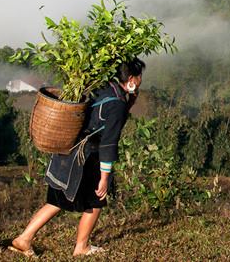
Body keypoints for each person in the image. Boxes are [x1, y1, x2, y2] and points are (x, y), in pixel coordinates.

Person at [9, 58, 145, 258]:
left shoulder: (101, 88)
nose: (142, 80)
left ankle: (24, 239)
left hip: (68, 150)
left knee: (57, 200)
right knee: (96, 201)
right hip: (88, 157)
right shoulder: (116, 104)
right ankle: (81, 247)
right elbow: (109, 142)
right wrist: (105, 177)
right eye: (140, 76)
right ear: (132, 78)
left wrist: (130, 98)